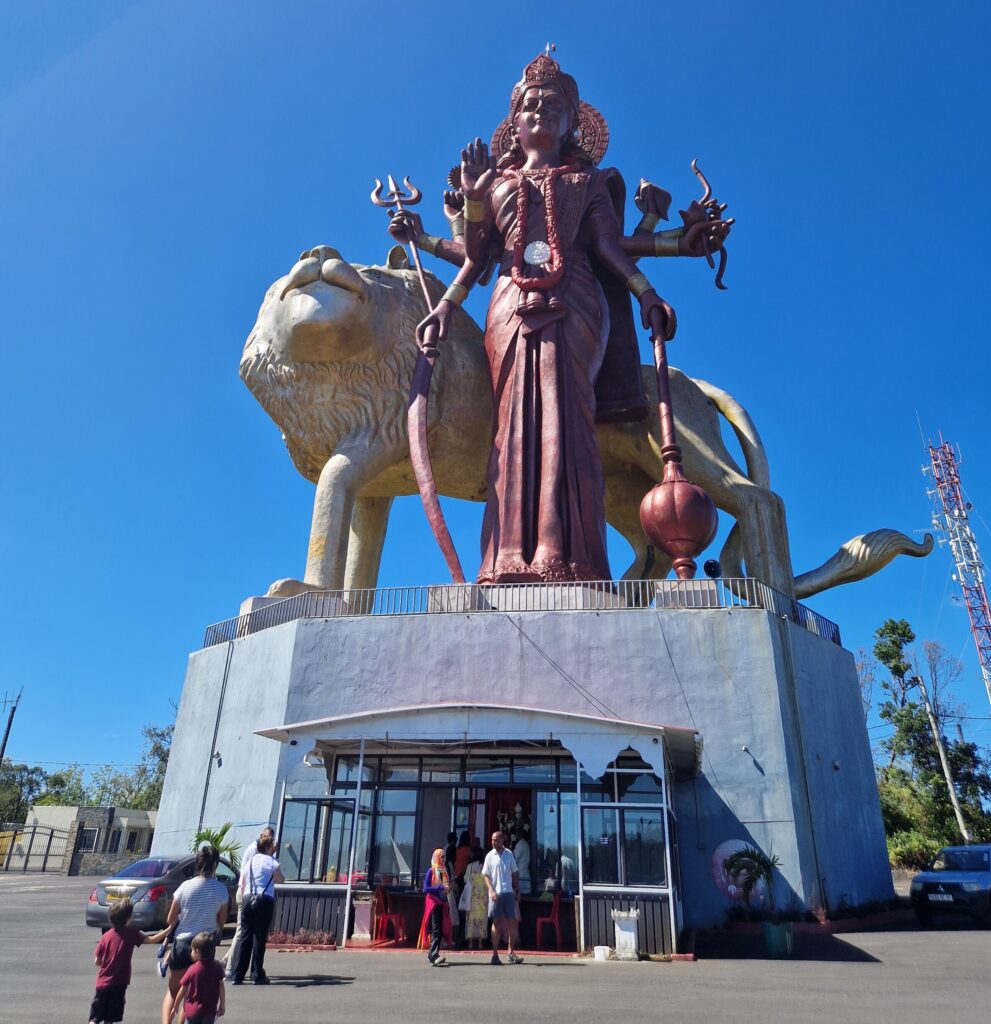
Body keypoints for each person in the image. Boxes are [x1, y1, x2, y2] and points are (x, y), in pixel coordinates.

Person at [407, 53, 728, 584]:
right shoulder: (492, 186)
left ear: (573, 120)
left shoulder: (590, 182)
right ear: (515, 122)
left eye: (554, 105)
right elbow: (475, 257)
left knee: (565, 415)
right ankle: (505, 558)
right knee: (510, 424)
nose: (541, 112)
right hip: (509, 302)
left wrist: (650, 288)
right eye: (531, 106)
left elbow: (611, 247)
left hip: (576, 298)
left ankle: (570, 556)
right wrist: (443, 303)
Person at [161, 845, 230, 1024]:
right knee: (191, 994)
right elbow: (221, 921)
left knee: (173, 991)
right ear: (215, 864)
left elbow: (170, 918)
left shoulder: (185, 886)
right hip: (205, 946)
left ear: (198, 863)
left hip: (183, 943)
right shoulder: (221, 890)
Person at [89, 898, 170, 1024]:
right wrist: (169, 930)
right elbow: (151, 940)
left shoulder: (106, 936)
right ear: (127, 918)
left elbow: (97, 961)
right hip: (119, 982)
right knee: (110, 1018)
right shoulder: (131, 932)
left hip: (102, 983)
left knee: (95, 1017)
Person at [231, 832, 284, 985]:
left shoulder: (250, 862)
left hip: (248, 898)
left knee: (245, 936)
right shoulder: (271, 861)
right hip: (264, 899)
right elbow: (280, 878)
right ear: (268, 847)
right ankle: (256, 973)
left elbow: (244, 879)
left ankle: (238, 974)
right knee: (259, 937)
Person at [223, 827, 274, 978]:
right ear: (262, 838)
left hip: (249, 894)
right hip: (248, 893)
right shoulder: (255, 851)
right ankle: (232, 968)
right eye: (268, 839)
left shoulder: (262, 852)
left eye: (271, 839)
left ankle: (229, 963)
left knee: (245, 933)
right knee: (242, 934)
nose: (270, 842)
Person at [482, 830, 523, 965]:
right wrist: (491, 890)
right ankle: (494, 954)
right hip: (496, 895)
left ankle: (511, 952)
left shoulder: (509, 854)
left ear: (502, 840)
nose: (493, 842)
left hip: (508, 893)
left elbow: (515, 872)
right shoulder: (489, 856)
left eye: (496, 840)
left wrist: (517, 889)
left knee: (512, 923)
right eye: (492, 840)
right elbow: (485, 875)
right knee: (496, 923)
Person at [167, 931, 225, 1024]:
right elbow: (221, 986)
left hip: (192, 1011)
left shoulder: (192, 969)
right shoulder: (217, 967)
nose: (191, 952)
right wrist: (222, 1004)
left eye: (192, 950)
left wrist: (175, 1005)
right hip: (209, 1010)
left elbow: (183, 989)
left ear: (197, 952)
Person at [418, 847, 451, 966]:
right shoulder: (431, 871)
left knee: (440, 929)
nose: (443, 859)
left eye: (445, 856)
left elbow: (446, 885)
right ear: (436, 857)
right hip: (434, 903)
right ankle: (434, 956)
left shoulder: (444, 871)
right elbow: (425, 889)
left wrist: (447, 889)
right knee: (436, 929)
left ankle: (431, 954)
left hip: (442, 902)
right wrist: (439, 888)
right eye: (441, 856)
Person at [459, 846, 489, 949]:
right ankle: (480, 943)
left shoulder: (470, 866)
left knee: (471, 920)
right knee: (482, 920)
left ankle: (471, 943)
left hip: (472, 896)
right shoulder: (485, 866)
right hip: (483, 897)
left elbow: (465, 879)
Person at [511, 829, 531, 895]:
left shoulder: (520, 844)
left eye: (517, 834)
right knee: (526, 891)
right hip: (525, 871)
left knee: (521, 893)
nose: (516, 836)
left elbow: (515, 857)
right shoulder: (526, 844)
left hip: (521, 872)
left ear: (519, 835)